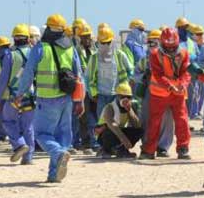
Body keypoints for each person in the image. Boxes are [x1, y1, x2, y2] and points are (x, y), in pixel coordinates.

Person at [15, 14, 84, 182]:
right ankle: (54, 174)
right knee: (62, 136)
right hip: (66, 99)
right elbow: (79, 75)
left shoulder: (40, 48)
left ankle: (58, 153)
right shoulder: (70, 48)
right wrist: (80, 100)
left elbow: (28, 73)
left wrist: (20, 93)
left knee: (41, 134)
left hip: (46, 99)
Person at [139, 27, 191, 160]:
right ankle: (149, 151)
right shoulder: (155, 54)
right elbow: (157, 74)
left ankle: (183, 149)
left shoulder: (184, 53)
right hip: (159, 93)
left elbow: (186, 72)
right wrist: (170, 86)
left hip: (178, 93)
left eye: (173, 47)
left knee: (182, 121)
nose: (171, 49)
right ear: (162, 43)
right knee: (154, 122)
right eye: (168, 47)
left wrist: (182, 85)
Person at [0, 25, 36, 165]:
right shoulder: (34, 54)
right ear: (28, 38)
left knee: (8, 121)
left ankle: (19, 144)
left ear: (14, 38)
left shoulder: (10, 55)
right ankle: (28, 157)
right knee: (28, 126)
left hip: (14, 96)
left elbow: (3, 79)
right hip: (30, 95)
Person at [136, 29, 174, 157]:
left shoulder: (169, 58)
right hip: (149, 92)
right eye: (150, 42)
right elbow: (135, 74)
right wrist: (143, 76)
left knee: (166, 119)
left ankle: (163, 147)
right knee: (147, 119)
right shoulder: (144, 60)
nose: (152, 45)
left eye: (155, 42)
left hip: (166, 91)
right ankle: (148, 146)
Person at [86, 25, 132, 123]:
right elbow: (88, 78)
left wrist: (125, 92)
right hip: (101, 96)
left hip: (117, 95)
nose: (106, 45)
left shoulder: (120, 55)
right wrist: (94, 94)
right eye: (103, 43)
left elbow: (130, 72)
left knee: (117, 122)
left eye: (108, 42)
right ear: (98, 42)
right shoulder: (94, 58)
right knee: (102, 123)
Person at [95, 82, 142, 159]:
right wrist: (125, 140)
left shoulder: (129, 107)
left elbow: (137, 125)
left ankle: (121, 150)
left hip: (118, 131)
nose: (125, 99)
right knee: (108, 130)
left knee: (139, 131)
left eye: (128, 97)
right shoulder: (110, 107)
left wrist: (130, 111)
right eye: (122, 97)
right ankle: (105, 150)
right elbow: (112, 125)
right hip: (103, 133)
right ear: (117, 96)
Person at [73, 24, 97, 154]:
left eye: (88, 36)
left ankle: (95, 141)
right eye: (84, 37)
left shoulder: (94, 50)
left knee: (95, 115)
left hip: (94, 89)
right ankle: (86, 143)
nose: (87, 39)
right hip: (83, 89)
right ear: (80, 38)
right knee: (84, 117)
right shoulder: (77, 51)